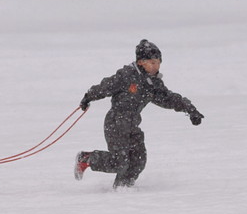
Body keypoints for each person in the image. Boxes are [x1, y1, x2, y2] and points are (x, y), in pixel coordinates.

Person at [75, 39, 204, 188]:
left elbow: (169, 98)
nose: (157, 66)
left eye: (159, 63)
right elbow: (105, 86)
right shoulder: (126, 76)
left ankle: (122, 189)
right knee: (119, 162)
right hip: (116, 123)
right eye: (153, 63)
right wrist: (88, 96)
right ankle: (86, 158)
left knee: (138, 160)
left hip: (133, 124)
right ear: (141, 62)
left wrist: (190, 109)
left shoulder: (153, 84)